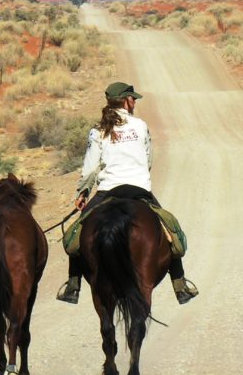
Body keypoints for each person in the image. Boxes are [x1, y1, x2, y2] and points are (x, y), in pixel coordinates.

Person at [56, 81, 199, 305]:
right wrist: (137, 173)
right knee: (170, 231)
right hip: (139, 190)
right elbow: (148, 158)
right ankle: (180, 284)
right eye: (133, 98)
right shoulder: (140, 126)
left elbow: (91, 167)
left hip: (107, 192)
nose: (135, 102)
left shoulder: (98, 131)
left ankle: (73, 285)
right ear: (126, 101)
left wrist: (83, 192)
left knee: (76, 234)